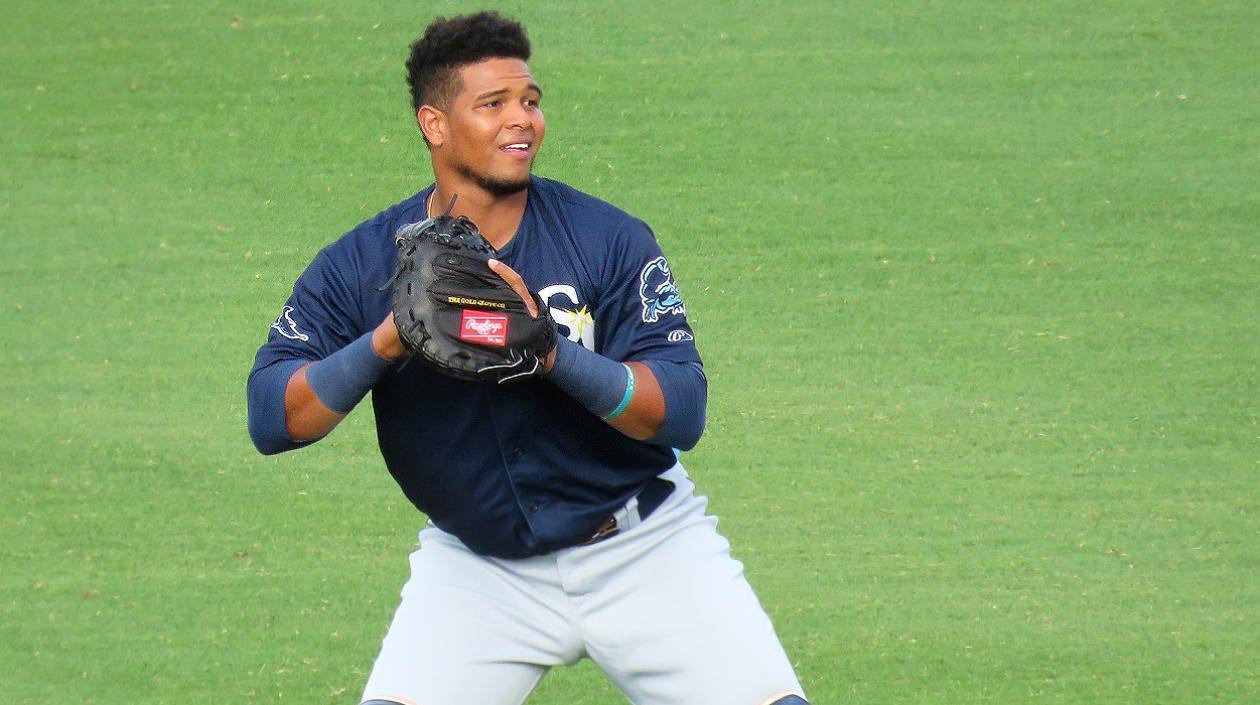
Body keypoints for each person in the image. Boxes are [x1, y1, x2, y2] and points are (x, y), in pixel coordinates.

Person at [247, 11, 809, 705]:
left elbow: (683, 410)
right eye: (494, 104)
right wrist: (389, 338)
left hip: (641, 547)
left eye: (531, 101)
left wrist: (551, 353)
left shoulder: (608, 239)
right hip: (479, 569)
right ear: (435, 124)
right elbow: (273, 418)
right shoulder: (360, 265)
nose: (523, 120)